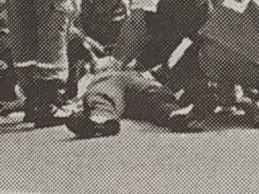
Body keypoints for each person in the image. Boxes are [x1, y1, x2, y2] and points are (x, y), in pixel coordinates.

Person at [64, 56, 204, 139]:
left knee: (154, 95)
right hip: (109, 78)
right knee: (103, 96)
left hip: (134, 76)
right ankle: (101, 120)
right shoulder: (89, 62)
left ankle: (175, 114)